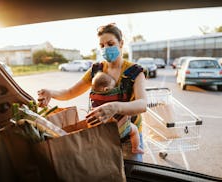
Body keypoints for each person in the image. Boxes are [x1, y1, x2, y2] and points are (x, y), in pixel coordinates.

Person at [37, 23, 147, 156]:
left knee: (132, 175)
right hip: (102, 134)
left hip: (129, 136)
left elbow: (142, 104)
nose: (106, 48)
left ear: (121, 43)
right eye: (102, 45)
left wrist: (115, 107)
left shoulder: (135, 71)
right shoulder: (96, 70)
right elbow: (70, 92)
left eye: (110, 44)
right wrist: (51, 92)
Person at [91, 71, 144, 154]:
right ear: (106, 89)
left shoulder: (94, 97)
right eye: (113, 87)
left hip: (103, 131)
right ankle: (135, 148)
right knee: (134, 130)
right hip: (120, 127)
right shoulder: (114, 96)